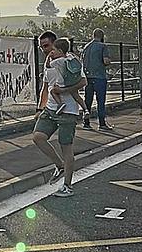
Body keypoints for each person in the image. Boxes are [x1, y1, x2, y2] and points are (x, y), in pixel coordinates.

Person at [33, 31, 87, 198]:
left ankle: (67, 185)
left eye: (47, 46)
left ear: (55, 45)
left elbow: (83, 82)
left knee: (66, 147)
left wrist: (63, 90)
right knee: (38, 137)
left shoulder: (70, 62)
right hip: (50, 109)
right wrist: (39, 108)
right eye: (42, 47)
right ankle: (59, 165)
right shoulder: (48, 63)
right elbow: (45, 88)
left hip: (67, 111)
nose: (44, 50)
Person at [81, 28, 113, 130]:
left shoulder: (86, 47)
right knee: (100, 101)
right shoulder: (103, 46)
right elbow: (106, 61)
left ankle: (86, 123)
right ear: (102, 36)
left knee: (88, 101)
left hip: (87, 77)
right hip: (99, 76)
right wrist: (108, 62)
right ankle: (102, 124)